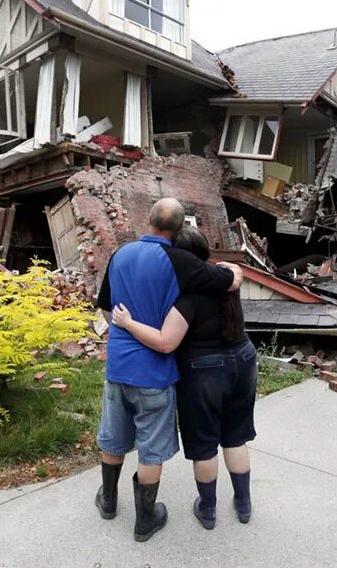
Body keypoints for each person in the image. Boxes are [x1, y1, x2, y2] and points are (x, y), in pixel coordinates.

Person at [94, 199, 243, 542]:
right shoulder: (180, 261)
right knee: (149, 448)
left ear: (148, 220)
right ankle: (145, 520)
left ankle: (108, 501)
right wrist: (235, 271)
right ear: (179, 229)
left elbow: (104, 308)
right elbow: (228, 282)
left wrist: (122, 335)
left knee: (114, 436)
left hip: (118, 366)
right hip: (154, 373)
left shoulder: (120, 254)